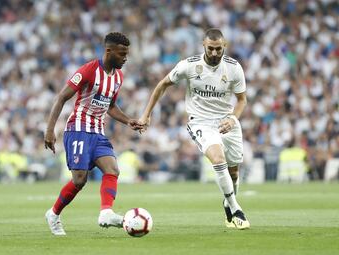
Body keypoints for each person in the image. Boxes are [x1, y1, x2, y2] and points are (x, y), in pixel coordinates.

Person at [139, 28, 250, 229]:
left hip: (227, 121)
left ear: (224, 46)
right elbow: (163, 84)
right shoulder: (189, 66)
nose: (215, 53)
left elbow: (242, 100)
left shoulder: (234, 68)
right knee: (218, 159)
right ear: (203, 46)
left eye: (218, 49)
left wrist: (233, 119)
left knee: (233, 172)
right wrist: (146, 114)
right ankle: (235, 209)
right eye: (210, 49)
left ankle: (228, 201)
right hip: (200, 121)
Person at [44, 32, 143, 235]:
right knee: (80, 180)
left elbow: (111, 106)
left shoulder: (118, 77)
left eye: (127, 54)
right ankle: (53, 214)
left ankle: (106, 212)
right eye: (122, 53)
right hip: (78, 129)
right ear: (109, 51)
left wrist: (128, 120)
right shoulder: (89, 70)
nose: (125, 58)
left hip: (98, 132)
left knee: (112, 170)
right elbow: (61, 97)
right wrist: (49, 129)